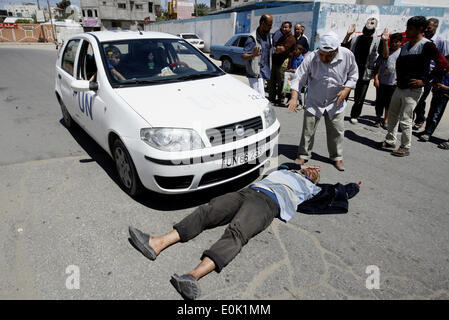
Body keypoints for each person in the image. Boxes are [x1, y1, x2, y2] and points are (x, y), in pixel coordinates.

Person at [128, 163, 362, 300]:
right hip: (249, 192)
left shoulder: (312, 189)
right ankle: (156, 243)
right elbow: (284, 165)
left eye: (315, 173)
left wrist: (352, 188)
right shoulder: (287, 171)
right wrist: (300, 167)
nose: (313, 172)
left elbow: (336, 192)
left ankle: (192, 277)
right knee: (207, 211)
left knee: (236, 233)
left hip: (268, 204)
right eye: (311, 169)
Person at [286, 31, 359, 171]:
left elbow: (353, 75)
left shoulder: (347, 55)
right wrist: (294, 97)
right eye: (322, 54)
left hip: (336, 102)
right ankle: (303, 154)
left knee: (337, 132)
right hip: (315, 101)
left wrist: (347, 90)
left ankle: (337, 157)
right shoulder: (312, 57)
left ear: (336, 50)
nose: (323, 58)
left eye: (328, 55)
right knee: (308, 130)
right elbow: (299, 77)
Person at [378, 16, 448, 157]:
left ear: (419, 30)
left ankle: (405, 146)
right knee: (392, 115)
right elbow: (399, 63)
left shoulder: (427, 45)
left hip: (413, 89)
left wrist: (425, 81)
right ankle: (390, 140)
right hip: (400, 87)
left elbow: (443, 63)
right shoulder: (405, 46)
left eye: (410, 29)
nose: (407, 31)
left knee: (406, 118)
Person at [342, 18, 389, 124]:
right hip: (350, 71)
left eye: (372, 25)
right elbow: (343, 47)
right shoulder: (356, 39)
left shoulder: (378, 40)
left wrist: (385, 41)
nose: (368, 28)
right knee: (344, 92)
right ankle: (338, 112)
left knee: (359, 97)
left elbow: (385, 55)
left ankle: (355, 115)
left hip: (365, 73)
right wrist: (348, 35)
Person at [413, 18, 449, 130]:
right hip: (419, 73)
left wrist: (439, 79)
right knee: (416, 97)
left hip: (431, 76)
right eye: (426, 27)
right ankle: (418, 117)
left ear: (436, 27)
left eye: (429, 27)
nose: (426, 30)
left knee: (421, 98)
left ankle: (420, 120)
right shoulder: (422, 39)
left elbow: (445, 61)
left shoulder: (442, 41)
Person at [373, 32, 403, 128]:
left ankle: (386, 120)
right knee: (379, 101)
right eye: (392, 42)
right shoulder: (385, 52)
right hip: (382, 81)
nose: (394, 44)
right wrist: (376, 78)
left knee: (389, 103)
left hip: (393, 82)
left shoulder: (402, 53)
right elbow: (377, 66)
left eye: (396, 42)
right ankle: (378, 118)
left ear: (400, 43)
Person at [242, 14, 273, 96]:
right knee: (259, 99)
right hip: (255, 74)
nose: (271, 27)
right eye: (269, 25)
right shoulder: (252, 38)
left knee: (259, 99)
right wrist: (253, 55)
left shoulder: (268, 36)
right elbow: (244, 56)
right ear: (262, 23)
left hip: (264, 73)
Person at [418, 66, 449, 142]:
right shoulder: (442, 72)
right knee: (430, 114)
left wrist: (443, 87)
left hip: (444, 96)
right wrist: (434, 85)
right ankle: (426, 130)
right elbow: (433, 81)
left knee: (436, 115)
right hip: (436, 93)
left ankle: (428, 133)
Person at [268, 21, 296, 105]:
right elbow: (275, 47)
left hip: (284, 62)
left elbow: (282, 49)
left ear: (290, 28)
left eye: (286, 27)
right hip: (275, 61)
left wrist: (278, 49)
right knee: (272, 80)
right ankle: (271, 98)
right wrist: (278, 48)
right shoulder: (281, 37)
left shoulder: (291, 38)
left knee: (281, 81)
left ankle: (280, 99)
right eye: (283, 27)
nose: (284, 29)